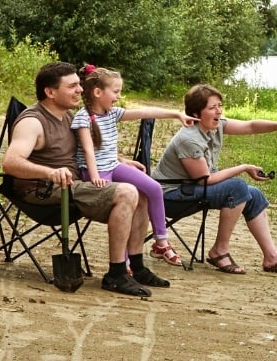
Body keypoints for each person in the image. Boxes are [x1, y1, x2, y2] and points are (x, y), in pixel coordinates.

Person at [2, 62, 169, 296]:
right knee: (127, 191)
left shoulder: (68, 116)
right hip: (44, 190)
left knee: (141, 192)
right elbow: (10, 162)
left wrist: (120, 159)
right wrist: (49, 172)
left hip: (73, 185)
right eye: (72, 86)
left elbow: (89, 149)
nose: (80, 90)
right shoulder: (33, 121)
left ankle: (137, 266)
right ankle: (116, 274)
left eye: (79, 85)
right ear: (50, 92)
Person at [151, 84, 277, 275]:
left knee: (253, 194)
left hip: (190, 189)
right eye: (212, 107)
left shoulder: (215, 126)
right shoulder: (188, 138)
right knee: (238, 186)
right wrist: (243, 168)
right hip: (170, 198)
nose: (219, 111)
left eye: (220, 105)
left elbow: (249, 126)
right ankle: (219, 251)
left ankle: (272, 257)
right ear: (196, 114)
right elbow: (204, 179)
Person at [72, 64, 198, 267]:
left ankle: (161, 241)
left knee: (153, 188)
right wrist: (94, 175)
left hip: (113, 166)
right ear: (97, 92)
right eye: (115, 91)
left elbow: (145, 112)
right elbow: (88, 150)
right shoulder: (83, 117)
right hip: (95, 172)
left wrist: (176, 114)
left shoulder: (112, 114)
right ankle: (125, 262)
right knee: (123, 210)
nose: (119, 96)